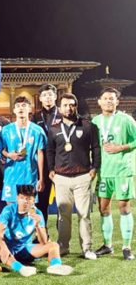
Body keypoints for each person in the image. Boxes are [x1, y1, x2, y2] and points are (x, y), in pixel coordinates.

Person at [46, 93, 101, 258]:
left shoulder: (88, 126)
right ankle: (63, 246)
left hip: (82, 176)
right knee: (64, 215)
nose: (68, 108)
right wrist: (51, 170)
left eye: (72, 105)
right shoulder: (54, 128)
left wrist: (95, 168)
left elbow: (96, 148)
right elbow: (50, 150)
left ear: (76, 106)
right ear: (60, 107)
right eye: (65, 105)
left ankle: (87, 248)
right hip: (61, 177)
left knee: (84, 214)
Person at [91, 87, 136, 259]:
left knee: (124, 207)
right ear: (99, 101)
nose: (109, 101)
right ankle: (108, 245)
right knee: (103, 208)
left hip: (122, 171)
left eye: (112, 98)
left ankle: (126, 247)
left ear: (117, 101)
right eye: (106, 98)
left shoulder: (126, 119)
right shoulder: (95, 121)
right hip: (104, 172)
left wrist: (121, 147)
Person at [0, 185, 73, 277]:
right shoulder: (8, 210)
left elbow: (43, 241)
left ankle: (56, 266)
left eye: (28, 199)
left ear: (33, 200)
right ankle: (21, 268)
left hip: (27, 248)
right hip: (9, 247)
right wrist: (4, 248)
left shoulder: (37, 213)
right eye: (22, 198)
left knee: (54, 245)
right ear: (17, 198)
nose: (25, 202)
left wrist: (38, 225)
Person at [0, 96, 47, 204]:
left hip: (29, 175)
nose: (21, 108)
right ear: (14, 110)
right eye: (18, 106)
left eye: (24, 106)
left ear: (30, 109)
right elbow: (1, 150)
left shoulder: (37, 130)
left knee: (29, 211)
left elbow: (40, 153)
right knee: (11, 209)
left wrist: (41, 178)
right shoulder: (6, 130)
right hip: (11, 175)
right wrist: (9, 155)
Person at [32, 84, 62, 223]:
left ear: (55, 96)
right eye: (45, 95)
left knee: (62, 200)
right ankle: (41, 234)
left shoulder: (63, 114)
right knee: (41, 201)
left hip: (60, 161)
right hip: (42, 163)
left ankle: (62, 235)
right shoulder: (35, 116)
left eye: (50, 95)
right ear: (41, 98)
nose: (48, 98)